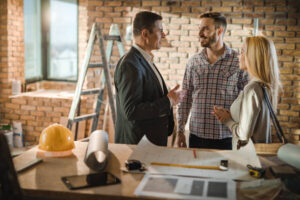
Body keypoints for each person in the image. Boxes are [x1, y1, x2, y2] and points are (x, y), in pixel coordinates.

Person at [177, 12, 248, 150]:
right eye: (199, 28)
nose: (200, 33)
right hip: (196, 137)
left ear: (219, 31)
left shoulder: (237, 61)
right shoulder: (193, 62)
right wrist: (180, 131)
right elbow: (185, 100)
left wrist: (242, 128)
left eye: (206, 29)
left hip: (227, 137)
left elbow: (248, 99)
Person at [114, 11, 184, 146]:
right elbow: (131, 111)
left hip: (147, 145)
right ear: (145, 34)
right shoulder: (130, 64)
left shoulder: (144, 60)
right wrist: (168, 101)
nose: (164, 35)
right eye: (160, 31)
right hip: (138, 147)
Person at [212, 36, 281, 150]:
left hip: (248, 157)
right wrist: (230, 115)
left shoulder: (252, 89)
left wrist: (227, 120)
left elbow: (243, 136)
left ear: (253, 56)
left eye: (243, 51)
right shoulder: (265, 86)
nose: (239, 56)